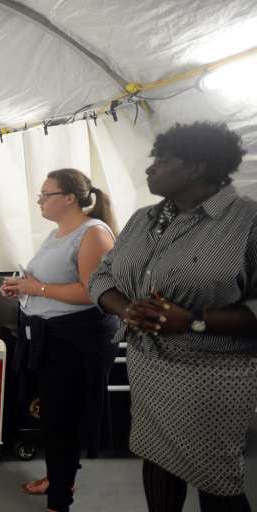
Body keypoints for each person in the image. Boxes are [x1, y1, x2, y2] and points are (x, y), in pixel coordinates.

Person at [90, 122, 256, 512]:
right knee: (157, 457)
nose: (150, 169)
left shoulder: (246, 222)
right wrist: (125, 308)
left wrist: (194, 319)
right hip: (148, 363)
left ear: (198, 168)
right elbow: (103, 275)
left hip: (213, 373)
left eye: (162, 160)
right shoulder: (143, 219)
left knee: (217, 477)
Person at [1, 169, 118, 512]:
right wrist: (21, 287)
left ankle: (59, 501)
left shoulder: (94, 234)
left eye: (45, 194)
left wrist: (34, 289)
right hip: (49, 337)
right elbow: (47, 281)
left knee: (63, 420)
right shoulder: (57, 234)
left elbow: (92, 292)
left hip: (77, 341)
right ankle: (58, 477)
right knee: (53, 416)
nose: (40, 200)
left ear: (69, 198)